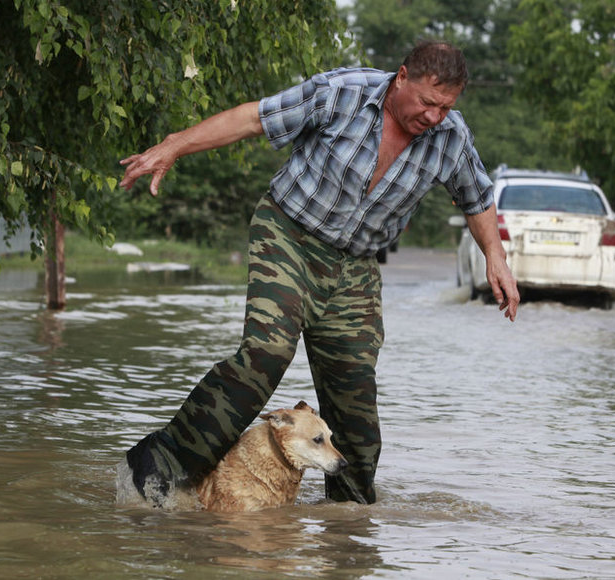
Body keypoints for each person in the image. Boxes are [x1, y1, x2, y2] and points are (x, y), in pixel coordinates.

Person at [115, 40, 519, 508]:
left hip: (355, 268)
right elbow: (253, 118)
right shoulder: (342, 93)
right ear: (402, 76)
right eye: (428, 103)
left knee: (355, 402)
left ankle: (346, 524)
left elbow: (476, 195)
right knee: (267, 353)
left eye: (445, 108)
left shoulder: (451, 137)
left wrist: (496, 254)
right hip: (288, 234)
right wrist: (174, 146)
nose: (434, 117)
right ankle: (161, 466)